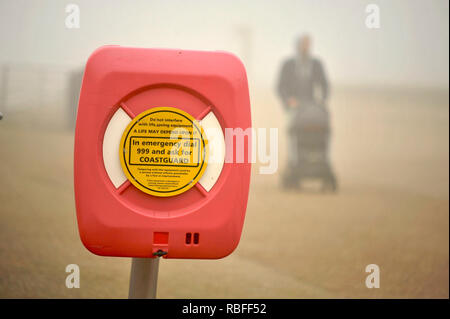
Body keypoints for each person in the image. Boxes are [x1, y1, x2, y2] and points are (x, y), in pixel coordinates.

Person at [277, 34, 337, 191]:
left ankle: (322, 165)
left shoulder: (316, 64)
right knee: (293, 136)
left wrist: (322, 101)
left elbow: (324, 84)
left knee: (321, 136)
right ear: (297, 46)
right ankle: (294, 164)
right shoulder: (288, 65)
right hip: (294, 109)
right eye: (303, 44)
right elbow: (280, 86)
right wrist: (288, 100)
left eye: (308, 44)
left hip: (312, 107)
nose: (306, 47)